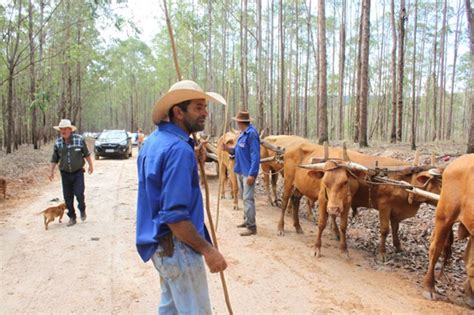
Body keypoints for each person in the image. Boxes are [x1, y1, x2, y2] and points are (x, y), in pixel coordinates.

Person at [136, 80, 228, 314]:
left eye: (205, 107)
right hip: (179, 249)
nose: (205, 113)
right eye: (198, 107)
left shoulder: (153, 142)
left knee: (170, 309)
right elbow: (175, 217)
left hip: (161, 247)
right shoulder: (178, 150)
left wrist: (192, 161)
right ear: (178, 112)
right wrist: (209, 251)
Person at [49, 119, 94, 226]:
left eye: (65, 129)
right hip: (65, 174)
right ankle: (72, 217)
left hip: (78, 172)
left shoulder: (79, 140)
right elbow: (54, 158)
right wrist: (51, 171)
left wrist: (91, 165)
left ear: (70, 130)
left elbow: (86, 154)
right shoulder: (58, 143)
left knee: (79, 193)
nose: (63, 131)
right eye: (61, 129)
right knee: (68, 197)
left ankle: (82, 209)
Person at [223, 111, 260, 236]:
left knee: (248, 199)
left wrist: (252, 174)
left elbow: (255, 155)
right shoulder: (241, 135)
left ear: (240, 122)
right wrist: (227, 149)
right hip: (240, 170)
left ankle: (251, 226)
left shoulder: (251, 134)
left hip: (248, 172)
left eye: (237, 121)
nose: (237, 123)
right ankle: (246, 220)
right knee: (244, 198)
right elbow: (237, 151)